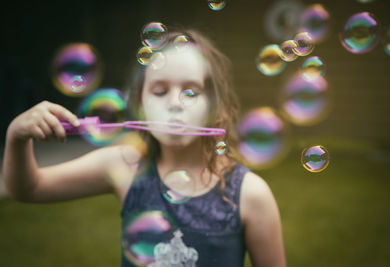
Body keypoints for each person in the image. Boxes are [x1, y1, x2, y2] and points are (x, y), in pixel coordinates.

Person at [2, 28, 286, 267]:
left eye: (191, 91)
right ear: (141, 104)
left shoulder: (250, 195)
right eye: (160, 91)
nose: (174, 103)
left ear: (213, 104)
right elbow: (28, 188)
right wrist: (16, 138)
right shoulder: (125, 165)